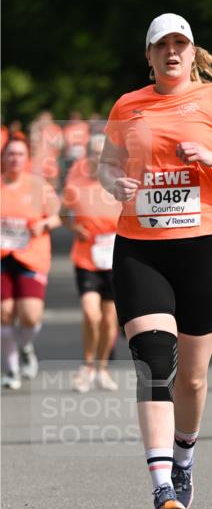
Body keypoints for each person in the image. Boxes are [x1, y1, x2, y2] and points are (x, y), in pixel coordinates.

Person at [99, 13, 212, 509]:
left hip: (204, 250)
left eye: (181, 44)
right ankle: (161, 488)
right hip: (141, 249)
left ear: (193, 52)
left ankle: (183, 459)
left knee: (192, 380)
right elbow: (107, 164)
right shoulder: (128, 105)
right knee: (155, 364)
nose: (172, 52)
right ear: (149, 55)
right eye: (162, 45)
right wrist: (114, 184)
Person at [62, 133, 122, 392]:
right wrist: (75, 227)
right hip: (86, 258)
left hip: (114, 259)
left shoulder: (119, 183)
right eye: (95, 153)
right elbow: (63, 214)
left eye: (103, 153)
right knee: (90, 313)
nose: (99, 157)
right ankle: (87, 365)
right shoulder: (76, 184)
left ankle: (102, 368)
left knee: (109, 319)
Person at [1, 136, 61, 388]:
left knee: (29, 314)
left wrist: (44, 224)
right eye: (10, 154)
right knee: (5, 313)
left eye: (19, 154)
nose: (14, 158)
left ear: (26, 159)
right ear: (3, 158)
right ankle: (11, 369)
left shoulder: (38, 187)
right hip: (3, 257)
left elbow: (57, 217)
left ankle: (26, 347)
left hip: (31, 256)